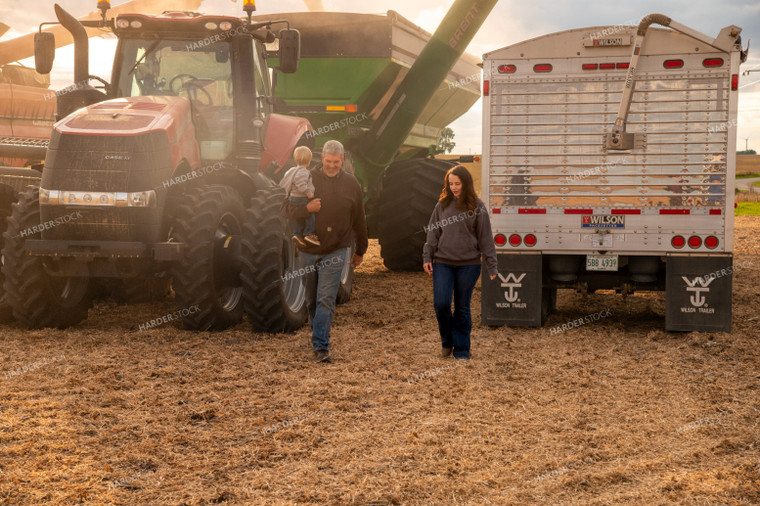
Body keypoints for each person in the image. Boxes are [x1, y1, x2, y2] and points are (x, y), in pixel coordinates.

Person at [282, 140, 368, 363]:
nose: (331, 166)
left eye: (336, 162)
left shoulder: (352, 184)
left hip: (336, 249)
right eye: (328, 162)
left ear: (342, 161)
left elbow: (359, 218)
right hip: (308, 249)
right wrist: (306, 209)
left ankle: (321, 346)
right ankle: (317, 335)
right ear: (322, 159)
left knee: (326, 299)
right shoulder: (305, 177)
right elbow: (286, 209)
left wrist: (361, 250)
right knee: (311, 299)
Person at [422, 165, 498, 360]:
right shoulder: (441, 206)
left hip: (469, 264)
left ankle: (462, 350)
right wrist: (427, 257)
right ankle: (447, 341)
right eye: (450, 184)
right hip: (443, 262)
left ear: (466, 183)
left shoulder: (478, 207)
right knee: (441, 304)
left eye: (457, 183)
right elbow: (433, 232)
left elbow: (486, 238)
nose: (454, 187)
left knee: (462, 306)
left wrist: (491, 264)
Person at [279, 146, 320, 248]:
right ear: (309, 161)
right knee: (310, 214)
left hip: (292, 198)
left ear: (295, 159)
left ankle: (297, 235)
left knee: (299, 217)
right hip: (300, 197)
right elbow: (301, 185)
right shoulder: (303, 172)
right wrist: (309, 193)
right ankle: (309, 234)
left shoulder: (291, 170)